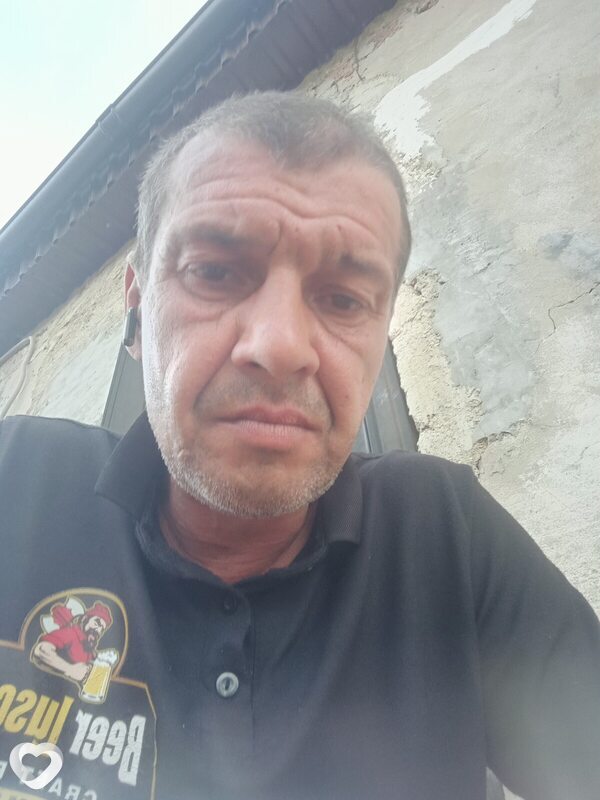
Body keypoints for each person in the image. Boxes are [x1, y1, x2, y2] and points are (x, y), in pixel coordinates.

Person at [0, 92, 598, 800]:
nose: (280, 346)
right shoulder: (16, 477)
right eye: (215, 272)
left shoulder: (444, 530)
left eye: (344, 299)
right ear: (136, 309)